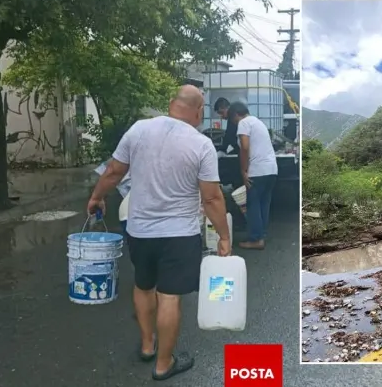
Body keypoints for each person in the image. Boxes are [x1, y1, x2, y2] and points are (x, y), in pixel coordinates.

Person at [86, 85, 231, 381]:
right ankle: (164, 364)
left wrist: (96, 196)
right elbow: (212, 198)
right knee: (170, 298)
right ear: (199, 111)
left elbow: (113, 172)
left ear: (171, 104)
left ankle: (147, 344)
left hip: (139, 230)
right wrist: (225, 236)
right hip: (179, 234)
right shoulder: (201, 144)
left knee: (143, 286)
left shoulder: (139, 130)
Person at [228, 101, 277, 250]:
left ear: (236, 114)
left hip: (257, 170)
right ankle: (261, 234)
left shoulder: (244, 123)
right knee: (264, 203)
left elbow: (244, 146)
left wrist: (243, 170)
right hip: (271, 169)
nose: (233, 123)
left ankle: (256, 239)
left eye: (232, 119)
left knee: (253, 204)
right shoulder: (258, 122)